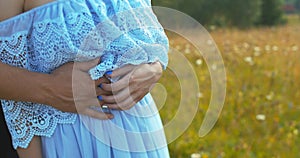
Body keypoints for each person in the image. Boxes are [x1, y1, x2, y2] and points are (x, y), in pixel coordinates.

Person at [0, 0, 169, 158]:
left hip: (143, 134)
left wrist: (154, 69)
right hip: (70, 142)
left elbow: (151, 40)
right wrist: (50, 87)